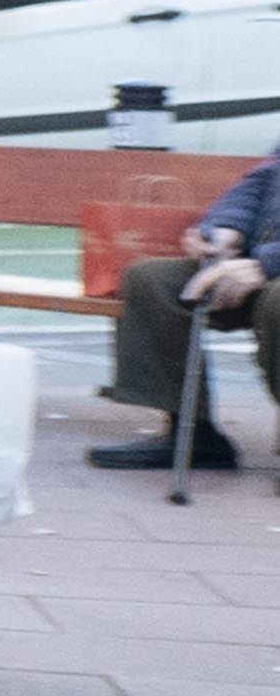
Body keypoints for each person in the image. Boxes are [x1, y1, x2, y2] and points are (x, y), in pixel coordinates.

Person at [88, 148, 280, 470]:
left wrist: (265, 264)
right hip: (254, 265)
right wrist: (222, 231)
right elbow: (261, 183)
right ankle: (190, 435)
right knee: (151, 279)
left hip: (267, 268)